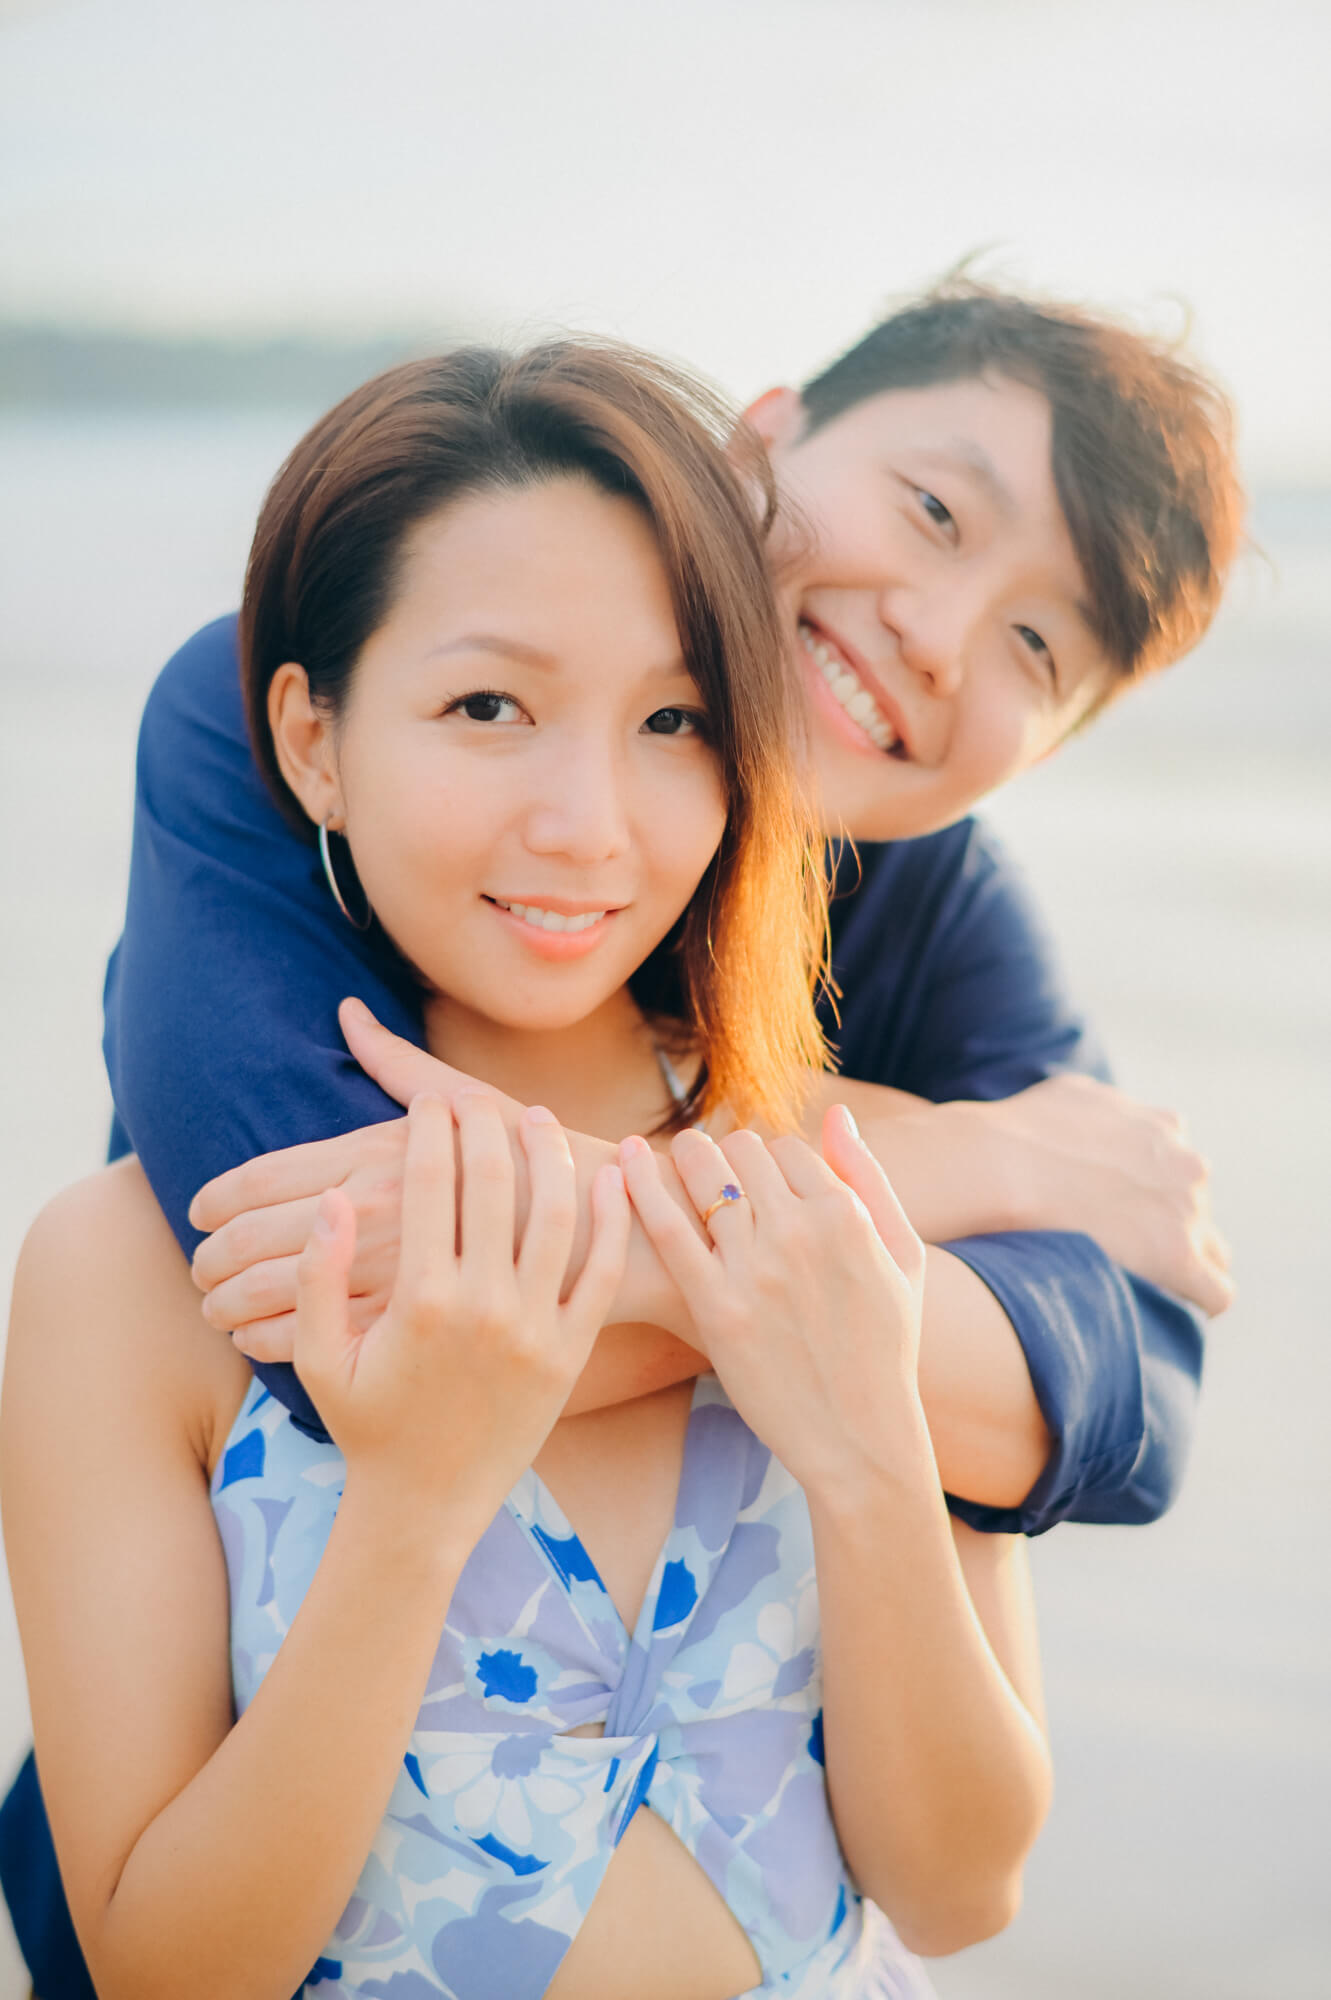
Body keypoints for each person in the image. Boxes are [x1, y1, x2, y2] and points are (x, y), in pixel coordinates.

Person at [1, 281, 1243, 1992]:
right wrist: (429, 1486)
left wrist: (863, 1416)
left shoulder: (863, 1225)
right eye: (489, 708)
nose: (585, 819)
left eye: (675, 723)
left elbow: (962, 1884)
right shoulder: (132, 1259)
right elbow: (165, 1968)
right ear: (314, 737)